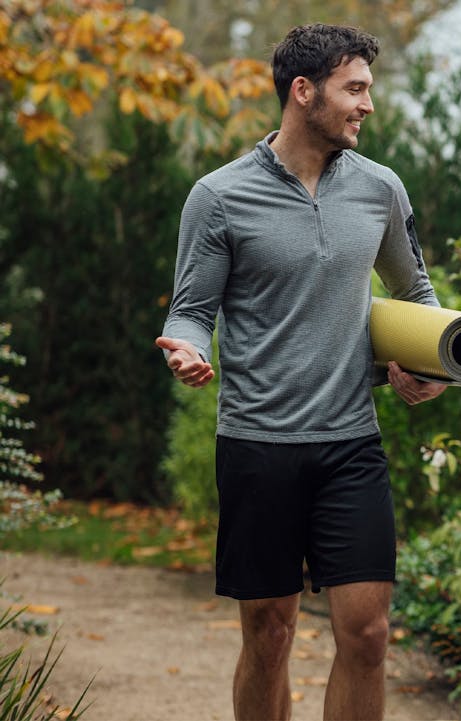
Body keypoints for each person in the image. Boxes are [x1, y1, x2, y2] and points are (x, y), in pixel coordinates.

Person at [155, 24, 446, 721]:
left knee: (369, 632)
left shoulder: (381, 189)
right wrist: (187, 347)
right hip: (257, 444)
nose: (367, 105)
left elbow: (418, 294)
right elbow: (192, 309)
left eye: (368, 89)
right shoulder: (219, 197)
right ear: (303, 91)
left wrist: (429, 363)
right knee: (269, 634)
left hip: (351, 441)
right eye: (355, 88)